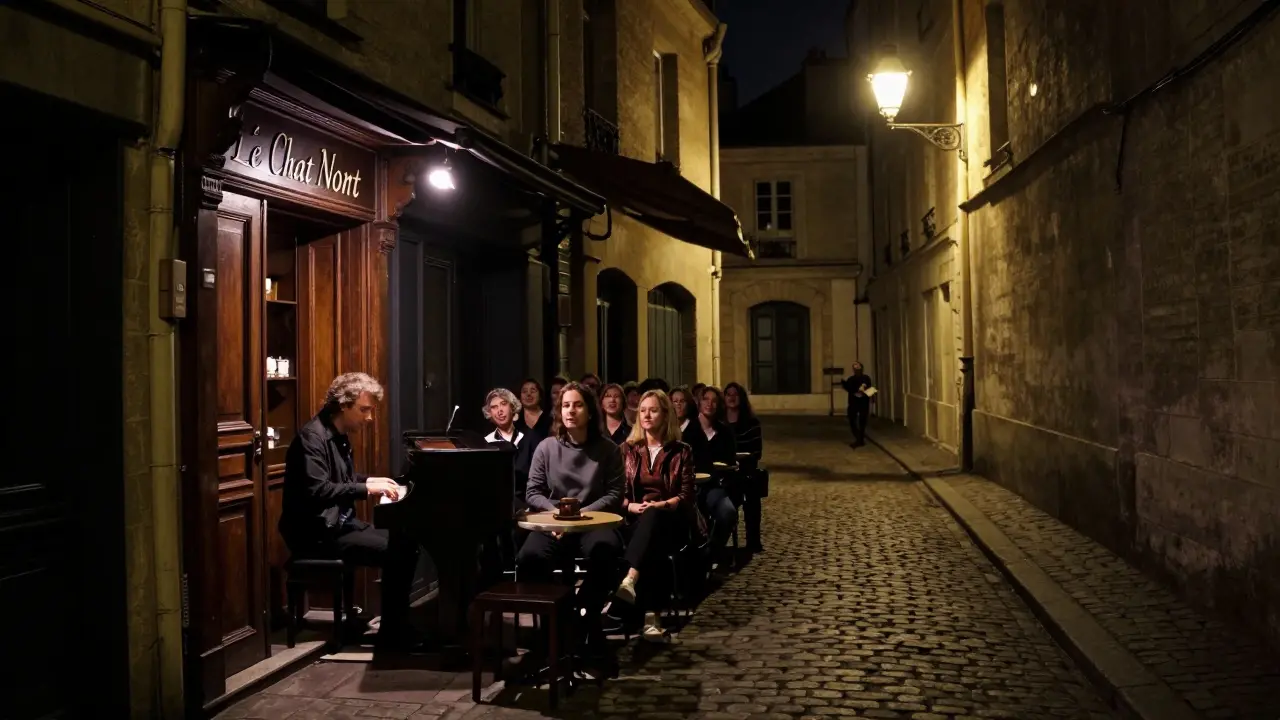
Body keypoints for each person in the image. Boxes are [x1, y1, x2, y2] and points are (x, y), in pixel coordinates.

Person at [278, 372, 420, 650]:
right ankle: (394, 632)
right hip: (316, 533)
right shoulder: (312, 438)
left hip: (338, 524)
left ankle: (394, 623)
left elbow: (343, 479)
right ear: (344, 405)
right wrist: (367, 488)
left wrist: (371, 481)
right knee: (399, 550)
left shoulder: (338, 435)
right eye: (364, 410)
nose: (369, 418)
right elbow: (319, 490)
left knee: (405, 542)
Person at [519, 382, 624, 636]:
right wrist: (557, 518)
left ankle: (584, 612)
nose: (570, 411)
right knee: (528, 558)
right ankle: (554, 623)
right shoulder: (546, 447)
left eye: (577, 405)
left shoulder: (608, 450)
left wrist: (581, 517)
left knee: (608, 552)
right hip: (553, 524)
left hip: (593, 522)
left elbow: (614, 493)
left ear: (589, 412)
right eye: (566, 405)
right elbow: (533, 492)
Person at [615, 390, 706, 639]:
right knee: (651, 544)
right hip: (635, 519)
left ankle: (630, 579)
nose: (646, 415)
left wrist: (661, 505)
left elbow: (687, 495)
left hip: (671, 519)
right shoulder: (627, 449)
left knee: (654, 523)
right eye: (642, 410)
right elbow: (616, 492)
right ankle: (651, 619)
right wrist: (629, 506)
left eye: (653, 410)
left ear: (665, 415)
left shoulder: (681, 450)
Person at [684, 385, 739, 567]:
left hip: (715, 486)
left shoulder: (724, 433)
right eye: (706, 399)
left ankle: (712, 552)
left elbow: (730, 461)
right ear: (699, 403)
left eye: (714, 401)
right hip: (690, 487)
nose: (710, 404)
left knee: (728, 513)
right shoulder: (688, 431)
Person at [724, 382, 764, 553]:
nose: (732, 398)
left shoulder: (751, 422)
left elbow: (756, 451)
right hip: (725, 472)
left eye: (735, 394)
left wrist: (743, 459)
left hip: (747, 471)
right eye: (728, 394)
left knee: (752, 500)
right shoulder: (720, 422)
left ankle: (753, 540)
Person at [841, 361, 874, 446]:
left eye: (858, 368)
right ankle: (859, 438)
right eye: (855, 368)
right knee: (852, 420)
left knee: (862, 421)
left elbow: (870, 388)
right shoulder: (851, 379)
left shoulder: (866, 378)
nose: (856, 370)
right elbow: (849, 388)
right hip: (853, 403)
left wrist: (872, 398)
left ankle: (860, 439)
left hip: (863, 402)